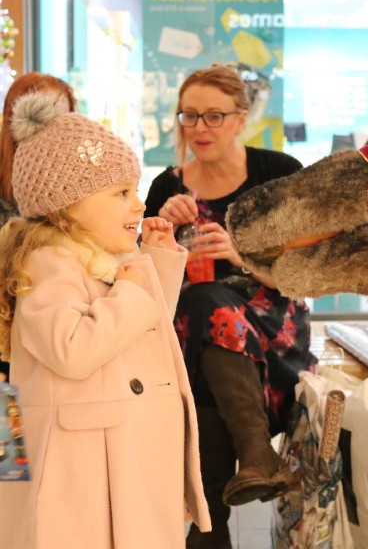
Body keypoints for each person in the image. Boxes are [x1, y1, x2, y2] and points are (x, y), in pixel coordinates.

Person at [0, 91, 211, 548]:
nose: (137, 205)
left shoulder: (104, 256)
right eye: (120, 193)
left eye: (134, 191)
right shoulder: (47, 262)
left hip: (120, 451)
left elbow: (142, 331)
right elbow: (73, 349)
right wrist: (137, 282)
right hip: (81, 468)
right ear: (64, 204)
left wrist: (156, 260)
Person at [144, 64, 315, 549]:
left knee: (206, 308)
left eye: (214, 116)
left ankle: (208, 530)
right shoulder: (167, 187)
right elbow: (145, 285)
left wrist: (241, 257)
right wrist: (162, 237)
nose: (199, 128)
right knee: (202, 311)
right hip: (195, 337)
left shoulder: (277, 174)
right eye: (189, 116)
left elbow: (309, 269)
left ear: (242, 119)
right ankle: (256, 452)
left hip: (273, 330)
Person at [0, 72, 77, 382]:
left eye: (60, 116)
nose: (47, 126)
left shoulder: (78, 182)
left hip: (60, 322)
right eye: (38, 112)